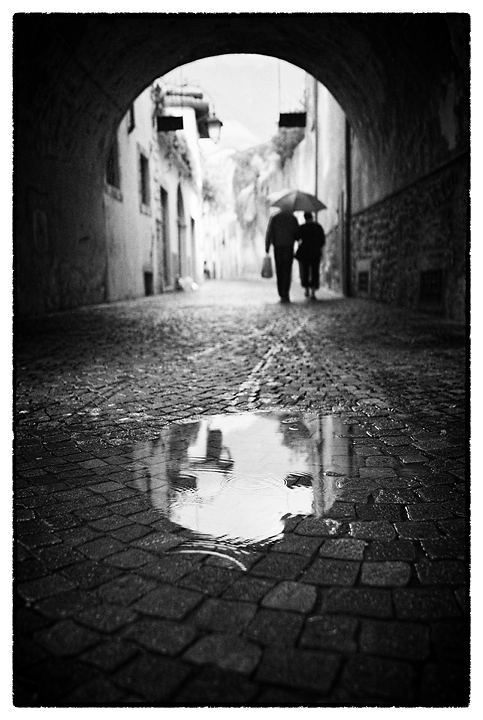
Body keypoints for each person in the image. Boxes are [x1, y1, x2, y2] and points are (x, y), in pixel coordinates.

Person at [265, 208, 300, 302]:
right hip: (289, 247)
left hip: (278, 247)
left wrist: (267, 247)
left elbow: (269, 232)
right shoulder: (293, 218)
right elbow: (297, 234)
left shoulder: (275, 218)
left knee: (279, 270)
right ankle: (286, 293)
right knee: (287, 270)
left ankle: (281, 293)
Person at [296, 212, 326, 300]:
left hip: (305, 252)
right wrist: (318, 247)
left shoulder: (302, 227)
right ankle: (313, 291)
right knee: (315, 271)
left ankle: (306, 290)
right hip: (315, 252)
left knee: (305, 271)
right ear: (312, 217)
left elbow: (297, 237)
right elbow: (322, 240)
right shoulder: (318, 227)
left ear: (305, 218)